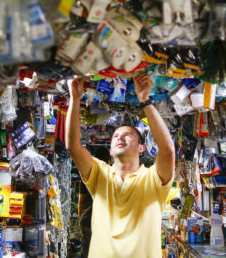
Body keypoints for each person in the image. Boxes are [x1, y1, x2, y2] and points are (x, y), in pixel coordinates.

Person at [65, 73, 176, 258]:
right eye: (116, 136)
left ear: (142, 148)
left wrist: (145, 101)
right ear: (109, 151)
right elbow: (73, 146)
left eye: (128, 135)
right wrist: (75, 99)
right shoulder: (99, 173)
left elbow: (168, 151)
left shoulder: (153, 179)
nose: (120, 137)